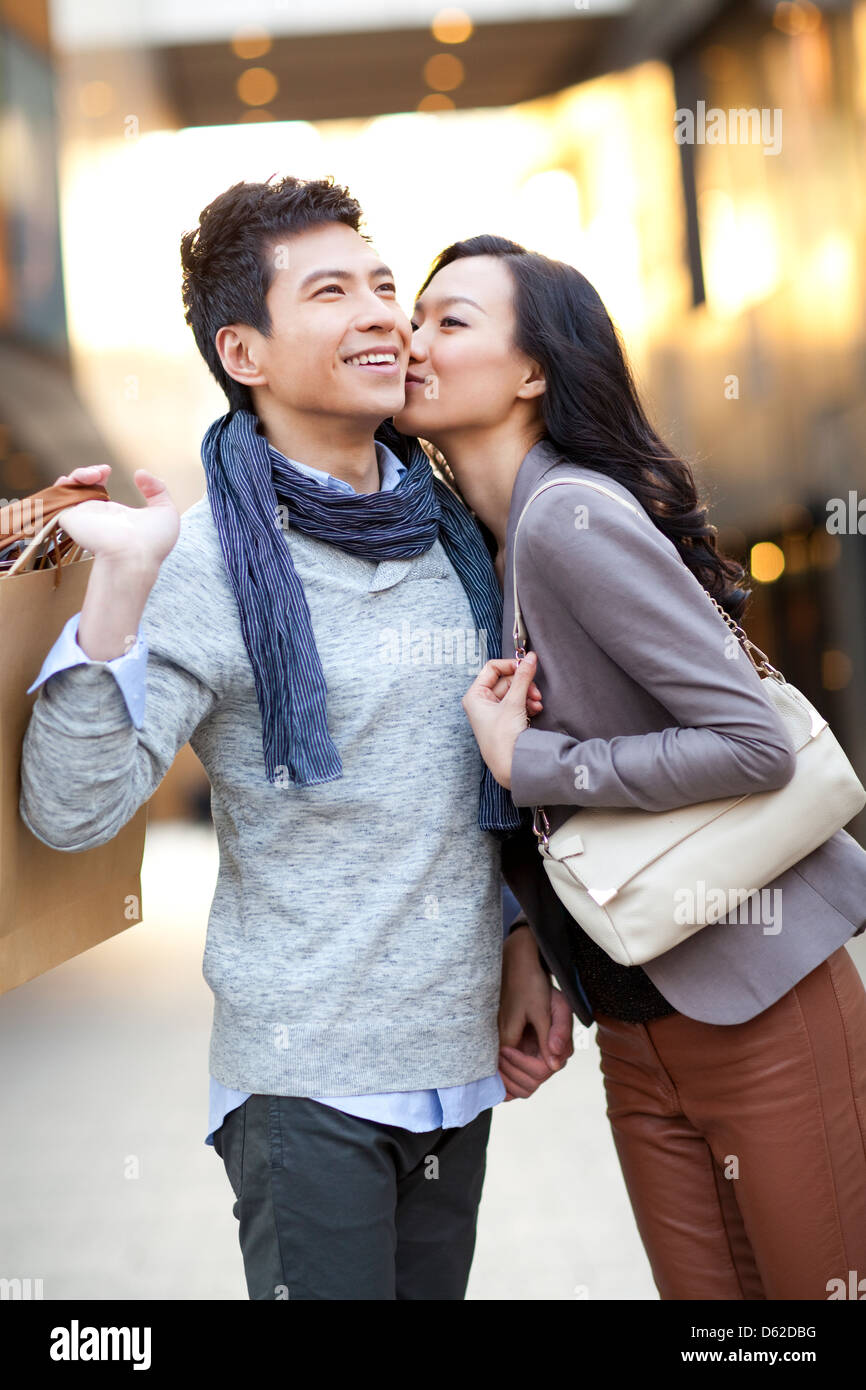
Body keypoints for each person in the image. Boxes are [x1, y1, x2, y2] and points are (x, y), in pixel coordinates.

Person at [17, 179, 571, 1302]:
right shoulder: (200, 560)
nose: (381, 314)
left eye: (383, 286)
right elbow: (70, 809)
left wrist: (520, 939)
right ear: (245, 350)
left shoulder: (453, 526)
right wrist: (117, 585)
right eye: (330, 293)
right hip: (303, 1082)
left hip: (455, 1066)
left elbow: (472, 772)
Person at [393, 232, 866, 1300]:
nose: (413, 340)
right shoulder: (493, 547)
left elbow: (745, 741)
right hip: (639, 1029)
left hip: (760, 1003)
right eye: (415, 318)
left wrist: (534, 761)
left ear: (532, 372)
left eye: (449, 321)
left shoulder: (567, 517)